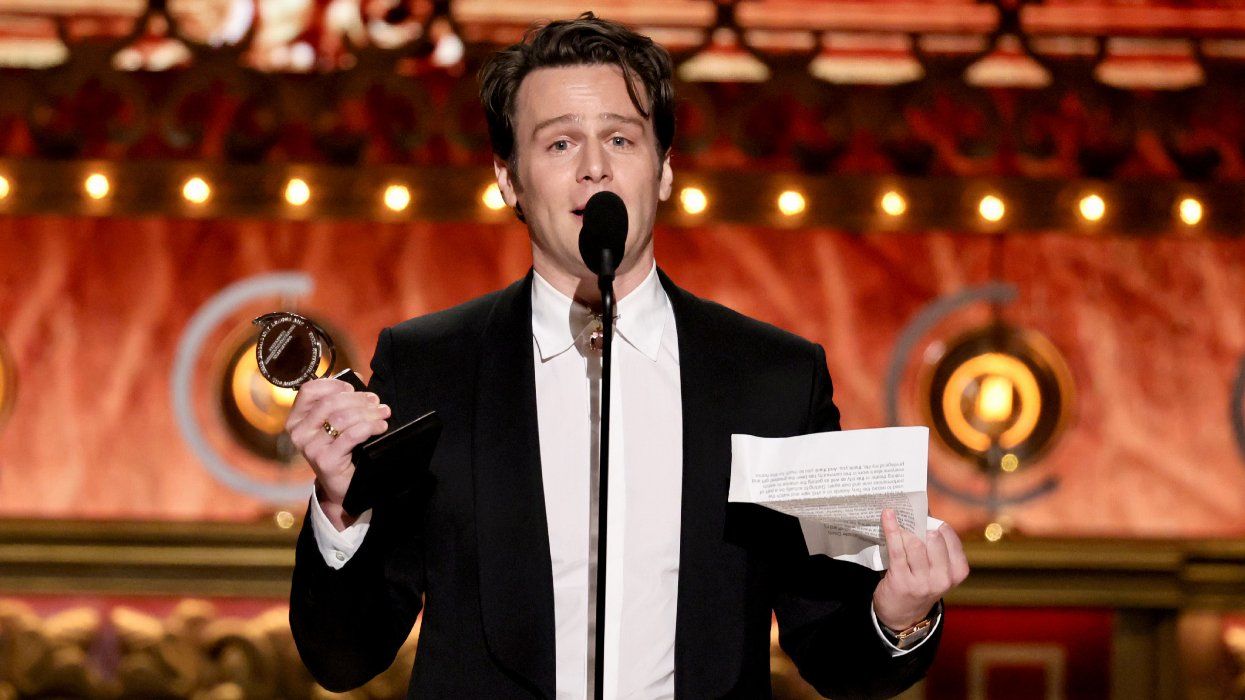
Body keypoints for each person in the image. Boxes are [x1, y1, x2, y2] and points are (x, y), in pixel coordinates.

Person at [286, 12, 969, 699]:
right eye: (558, 144)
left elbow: (834, 648)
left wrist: (897, 613)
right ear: (508, 179)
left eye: (620, 137)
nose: (594, 167)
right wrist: (341, 510)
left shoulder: (774, 378)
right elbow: (343, 657)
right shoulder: (429, 366)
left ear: (664, 169)